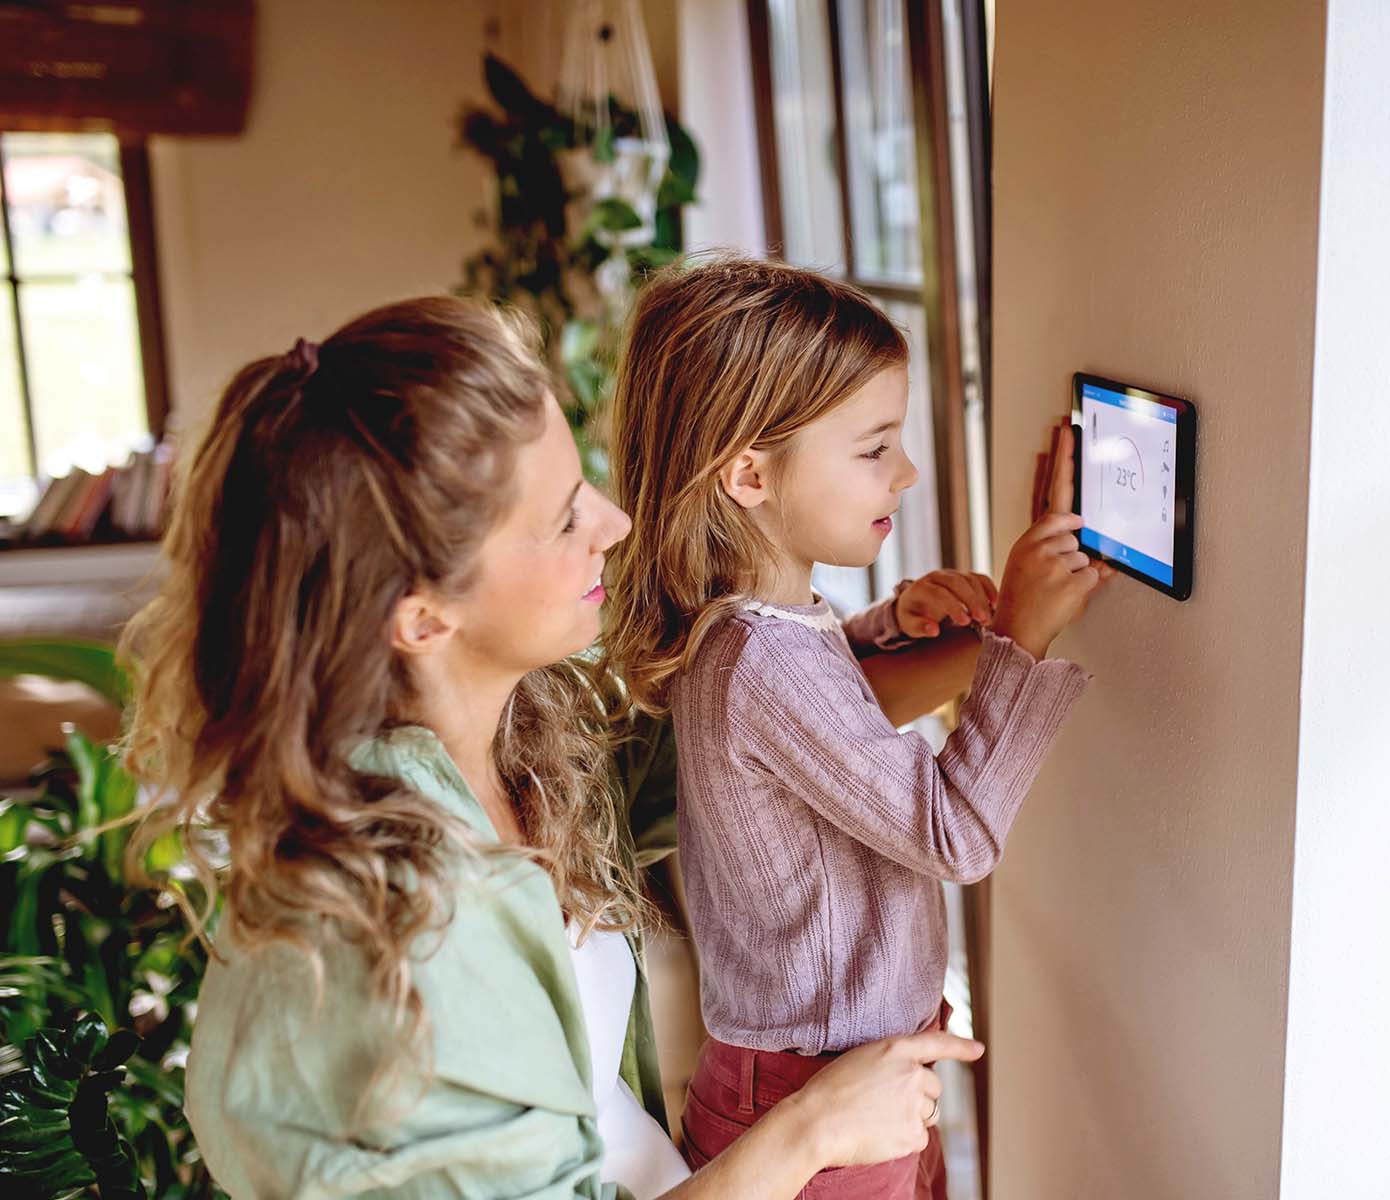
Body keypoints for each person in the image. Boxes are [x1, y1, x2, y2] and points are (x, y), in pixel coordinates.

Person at [120, 295, 982, 1200]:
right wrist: (809, 1130)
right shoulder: (393, 935)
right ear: (421, 615)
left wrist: (994, 636)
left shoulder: (524, 737)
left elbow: (790, 732)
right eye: (566, 516)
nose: (613, 523)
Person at [603, 258, 1108, 1198]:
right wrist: (1021, 644)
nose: (906, 472)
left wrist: (892, 626)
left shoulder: (756, 624)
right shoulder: (761, 658)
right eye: (875, 448)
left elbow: (822, 712)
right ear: (747, 473)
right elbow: (953, 834)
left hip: (846, 1074)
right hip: (814, 1093)